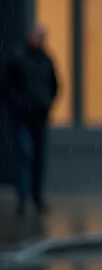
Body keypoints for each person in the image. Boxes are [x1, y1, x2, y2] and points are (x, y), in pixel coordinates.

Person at [3, 24, 58, 215]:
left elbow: (55, 84)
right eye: (37, 36)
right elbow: (7, 86)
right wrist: (19, 104)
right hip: (22, 117)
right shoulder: (18, 57)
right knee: (24, 154)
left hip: (39, 117)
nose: (39, 40)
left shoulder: (46, 60)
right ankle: (23, 197)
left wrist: (47, 103)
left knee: (38, 158)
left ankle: (37, 197)